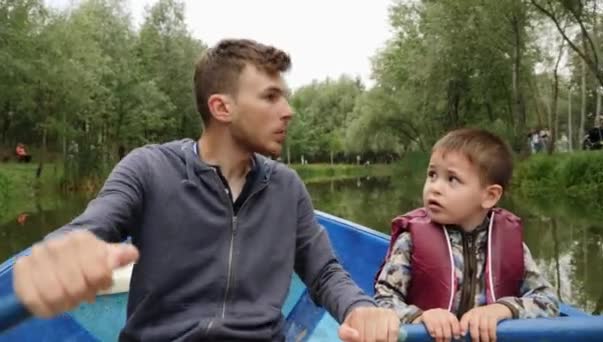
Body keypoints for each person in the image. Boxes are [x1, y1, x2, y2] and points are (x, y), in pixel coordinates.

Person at [12, 39, 399, 341]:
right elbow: (90, 229)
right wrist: (58, 256)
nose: (288, 110)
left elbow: (325, 273)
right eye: (270, 96)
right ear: (221, 107)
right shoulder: (149, 168)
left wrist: (359, 309)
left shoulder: (287, 187)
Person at [374, 128, 559, 342]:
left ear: (489, 196)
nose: (435, 188)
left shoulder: (512, 247)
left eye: (452, 179)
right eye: (432, 175)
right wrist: (419, 316)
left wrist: (503, 309)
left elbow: (548, 301)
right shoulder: (411, 242)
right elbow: (383, 301)